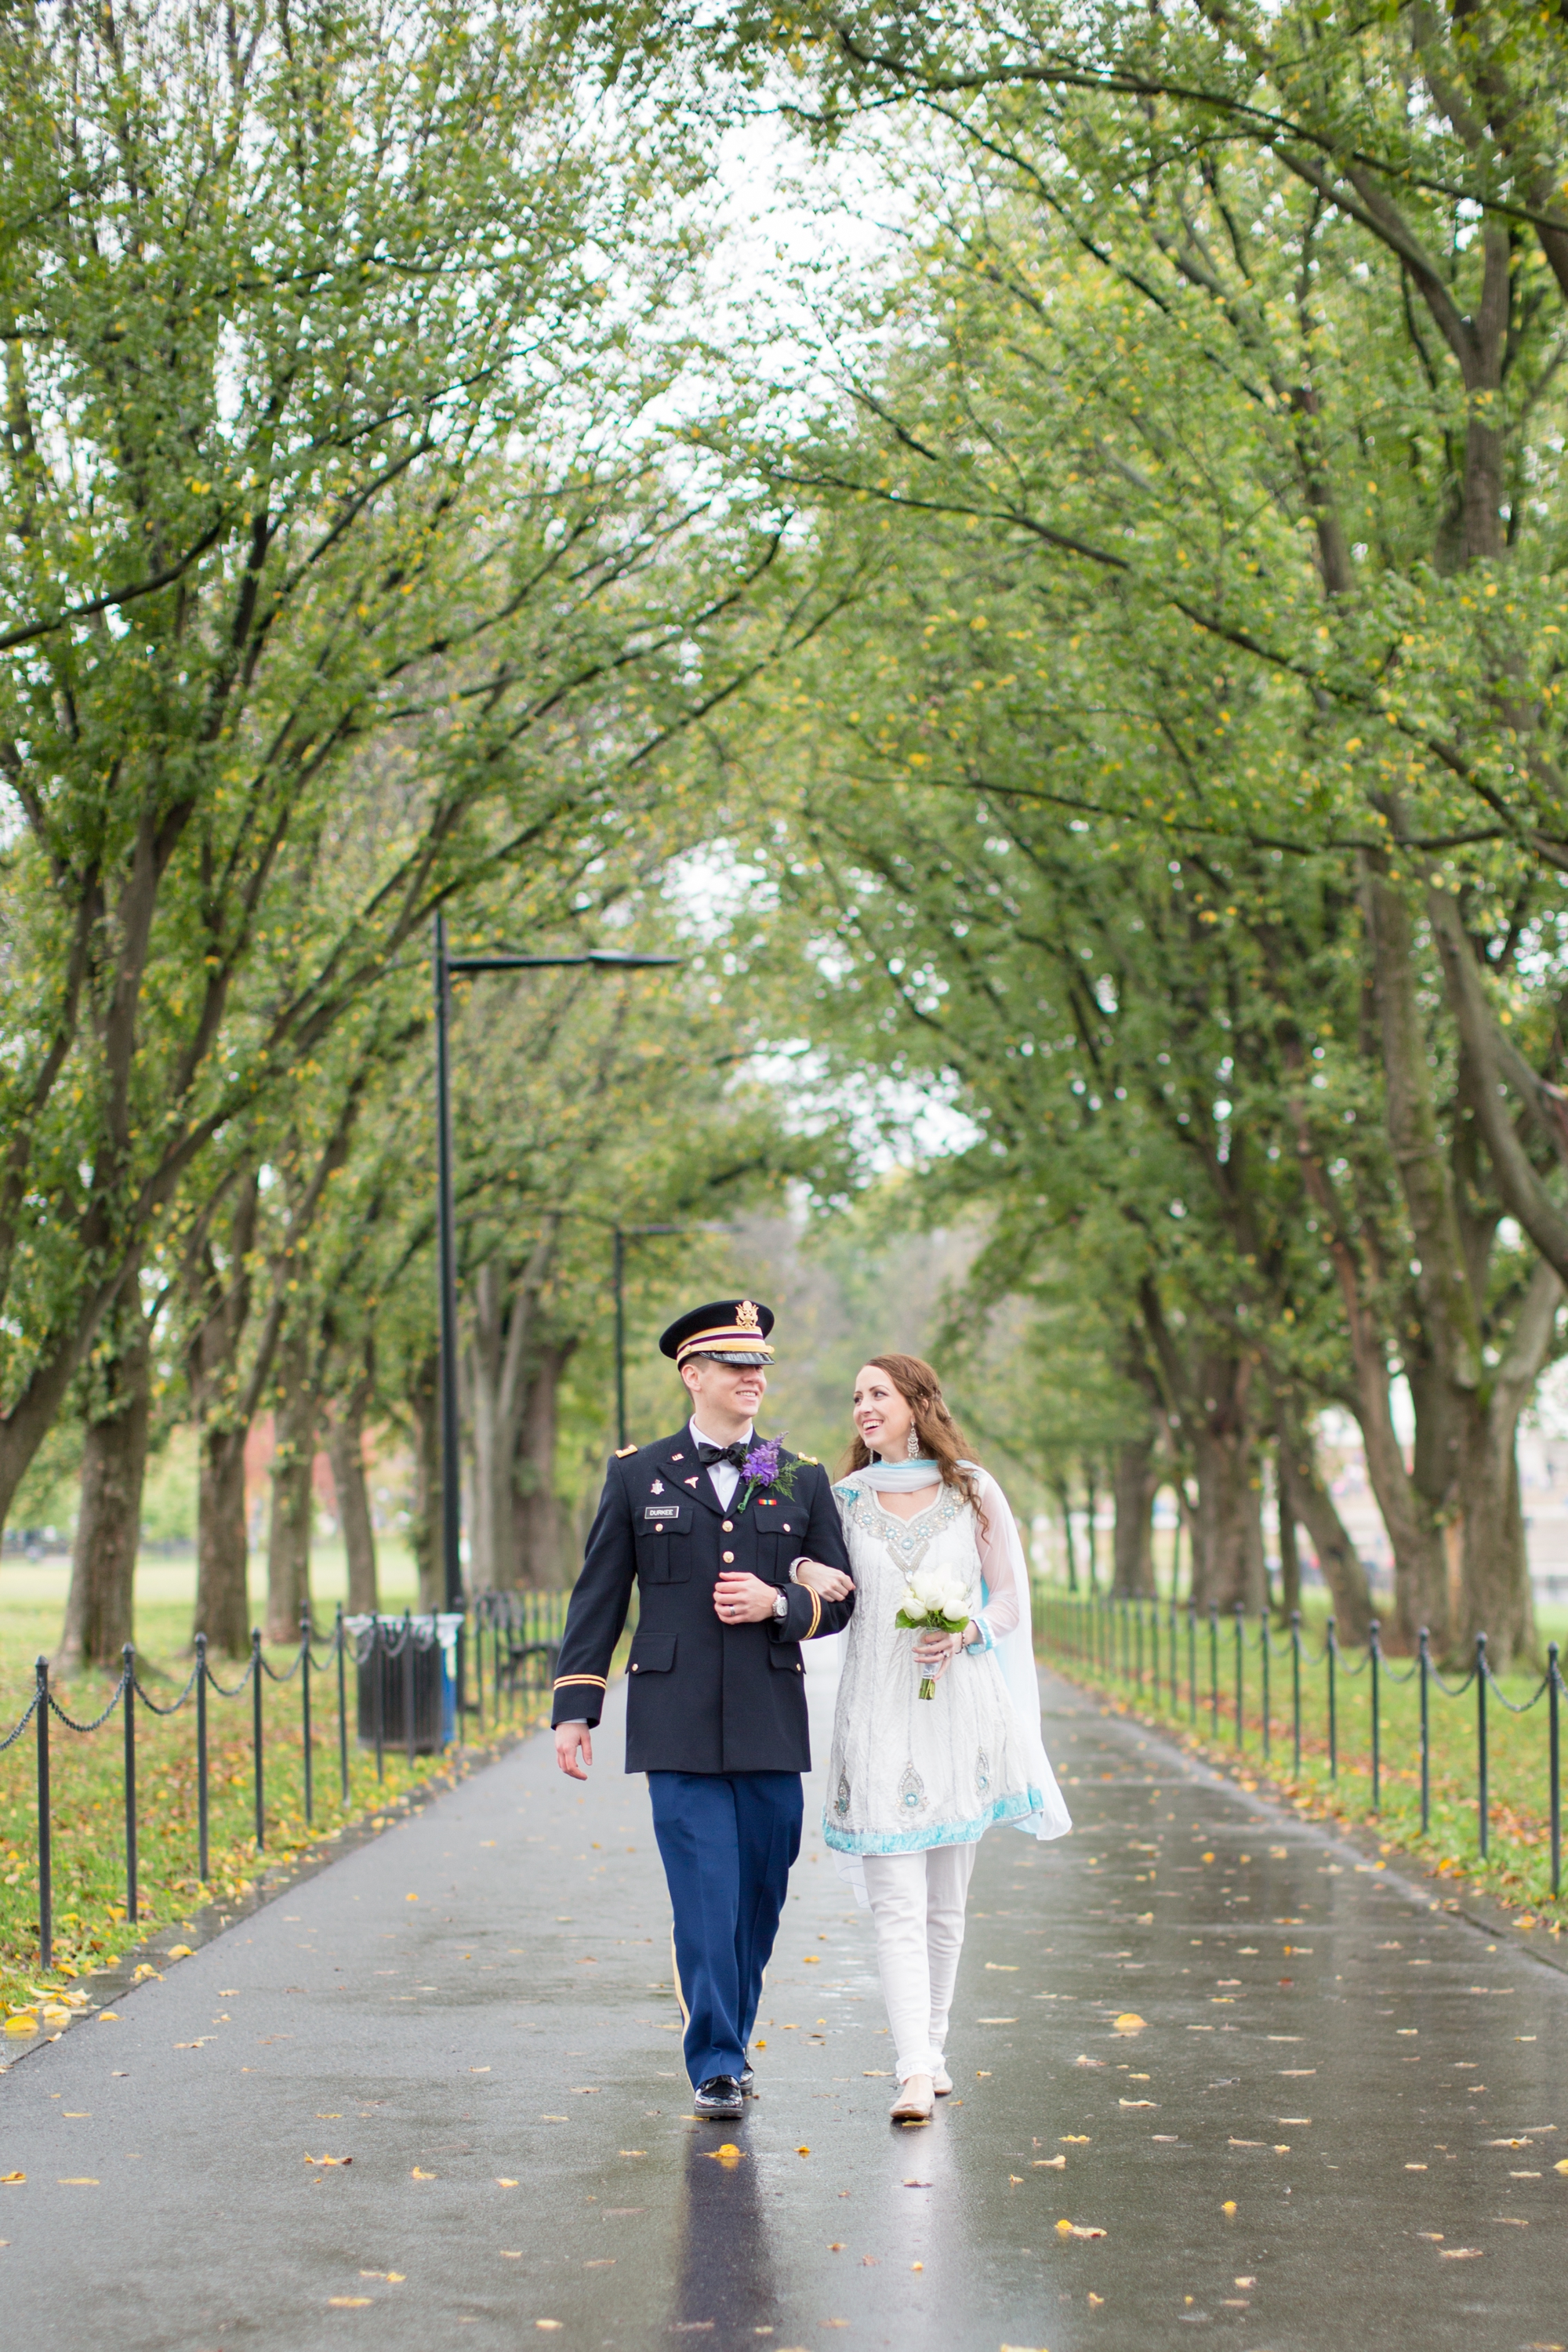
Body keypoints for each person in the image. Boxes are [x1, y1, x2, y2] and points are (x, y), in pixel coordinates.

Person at [551, 1297, 855, 2122]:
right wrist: (575, 1708)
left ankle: (732, 2034)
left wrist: (778, 1606)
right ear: (692, 1376)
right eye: (734, 1365)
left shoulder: (796, 1476)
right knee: (705, 1899)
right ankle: (715, 2061)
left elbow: (839, 1598)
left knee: (758, 1897)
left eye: (758, 1365)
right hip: (674, 1719)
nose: (752, 1378)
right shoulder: (637, 1474)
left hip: (767, 1720)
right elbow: (599, 1598)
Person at [792, 1354, 1070, 2122]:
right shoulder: (840, 1502)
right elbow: (812, 1577)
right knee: (895, 1904)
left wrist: (967, 1629)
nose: (861, 1407)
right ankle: (911, 2069)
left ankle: (934, 2048)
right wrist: (803, 1572)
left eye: (876, 1393)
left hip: (959, 1716)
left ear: (916, 1404)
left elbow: (1010, 1601)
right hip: (877, 1713)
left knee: (945, 1906)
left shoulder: (972, 1492)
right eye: (854, 1397)